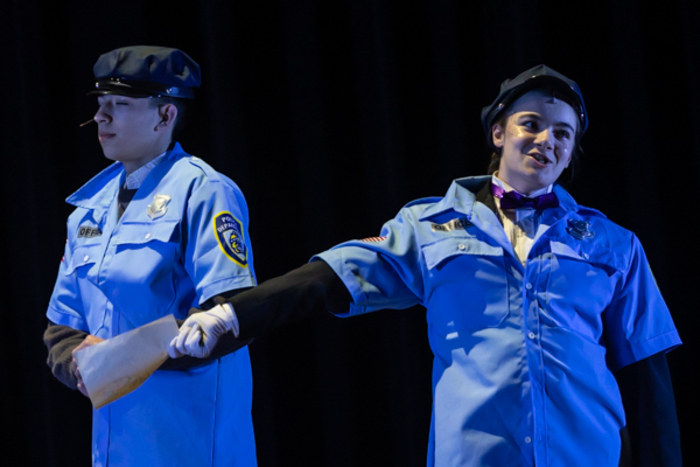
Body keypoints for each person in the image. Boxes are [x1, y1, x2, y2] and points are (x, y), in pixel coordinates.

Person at [170, 65, 682, 466]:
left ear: (571, 154)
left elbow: (646, 375)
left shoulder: (614, 244)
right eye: (532, 124)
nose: (547, 139)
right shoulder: (429, 226)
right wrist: (232, 314)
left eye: (563, 134)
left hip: (587, 457)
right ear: (499, 134)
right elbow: (335, 274)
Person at [43, 46, 258, 466]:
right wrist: (78, 365)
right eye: (101, 104)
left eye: (119, 104)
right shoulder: (89, 209)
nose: (101, 117)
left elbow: (228, 316)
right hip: (114, 447)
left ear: (166, 116)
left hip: (186, 442)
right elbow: (60, 328)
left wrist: (116, 360)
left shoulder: (204, 191)